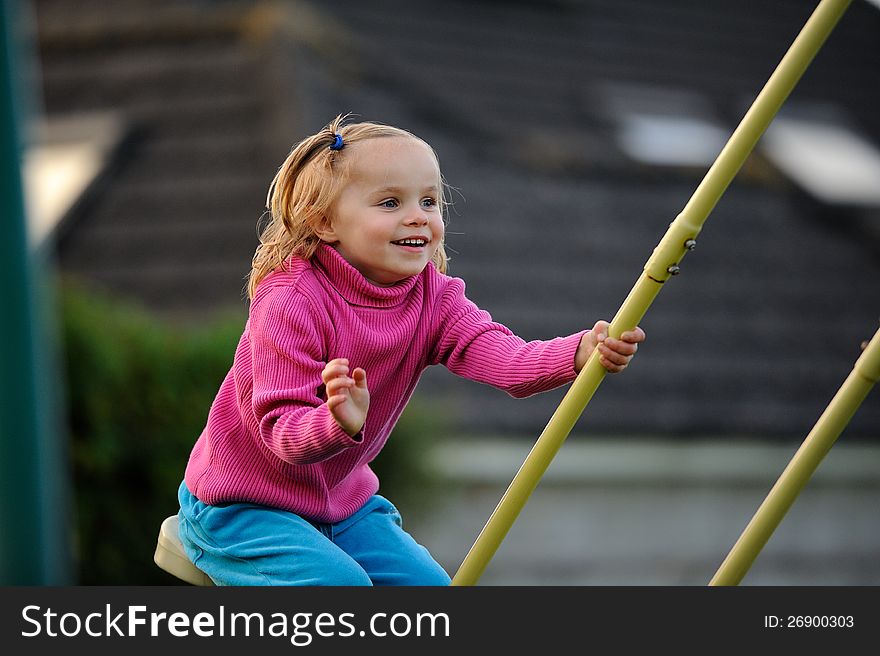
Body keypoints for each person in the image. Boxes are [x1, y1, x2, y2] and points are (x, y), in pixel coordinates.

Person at [176, 114, 646, 586]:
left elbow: (507, 360)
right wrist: (336, 421)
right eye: (389, 202)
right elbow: (282, 432)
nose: (418, 215)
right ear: (324, 221)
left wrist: (580, 352)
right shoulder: (291, 302)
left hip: (342, 503)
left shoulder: (433, 298)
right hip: (243, 505)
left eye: (429, 201)